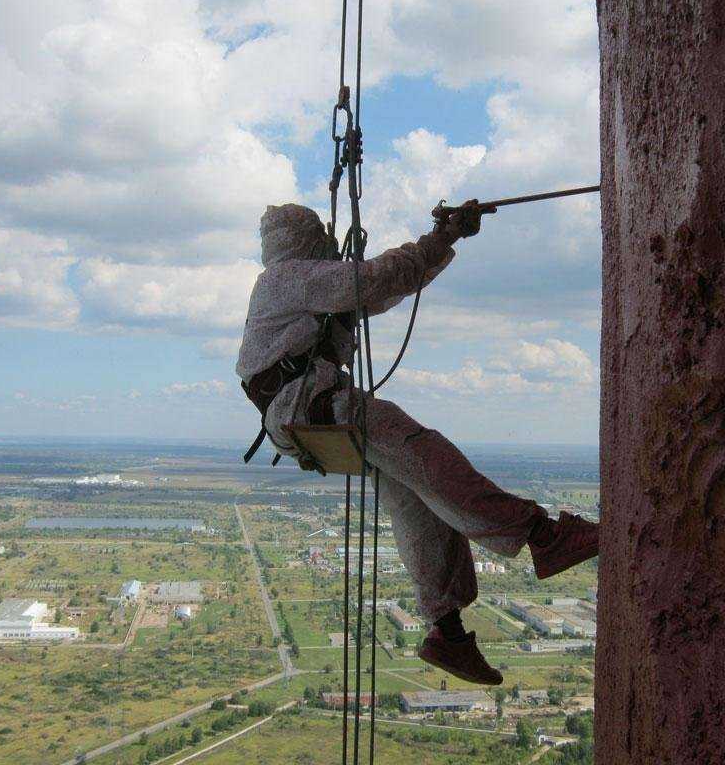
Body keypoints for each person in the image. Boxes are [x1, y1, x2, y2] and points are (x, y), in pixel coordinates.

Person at [236, 202, 598, 685]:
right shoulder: (288, 278)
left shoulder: (298, 287)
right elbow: (375, 280)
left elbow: (379, 290)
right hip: (314, 405)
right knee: (427, 456)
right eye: (319, 231)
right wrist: (439, 240)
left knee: (416, 499)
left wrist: (440, 242)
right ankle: (544, 536)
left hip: (304, 413)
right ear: (306, 238)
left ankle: (446, 630)